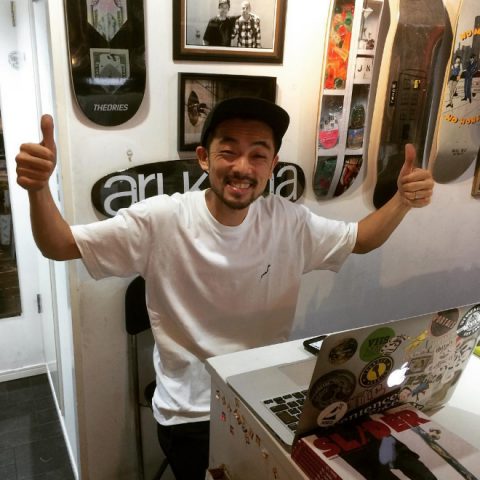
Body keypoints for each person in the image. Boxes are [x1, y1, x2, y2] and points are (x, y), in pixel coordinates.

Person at [15, 97, 434, 480]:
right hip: (191, 415)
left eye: (258, 155)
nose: (243, 167)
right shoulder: (161, 220)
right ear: (204, 158)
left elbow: (360, 239)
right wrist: (38, 189)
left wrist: (401, 200)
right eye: (228, 151)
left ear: (272, 165)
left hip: (265, 400)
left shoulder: (288, 222)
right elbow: (59, 245)